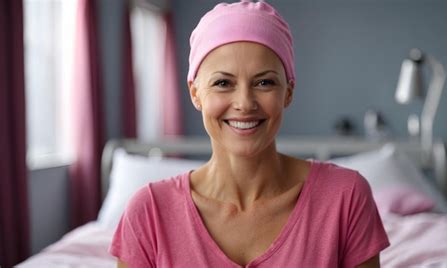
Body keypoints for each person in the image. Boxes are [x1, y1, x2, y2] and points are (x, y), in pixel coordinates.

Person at [109, 1, 390, 267]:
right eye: (222, 83)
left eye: (264, 82)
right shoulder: (149, 213)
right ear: (195, 93)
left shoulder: (346, 197)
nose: (244, 103)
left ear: (288, 93)